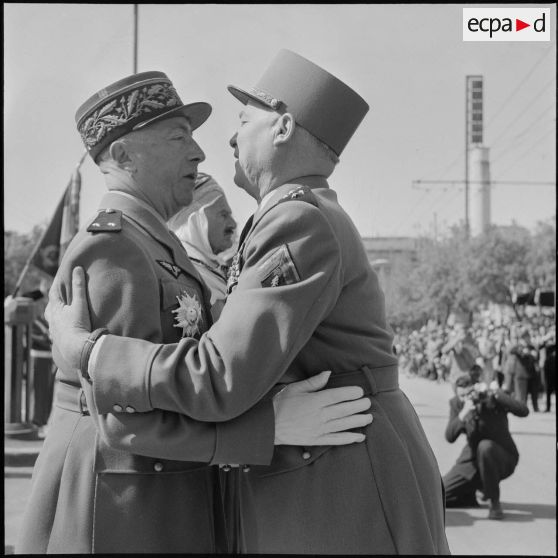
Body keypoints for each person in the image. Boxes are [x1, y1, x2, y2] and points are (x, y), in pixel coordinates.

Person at [47, 50, 449, 554]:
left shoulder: (298, 220)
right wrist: (267, 427)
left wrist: (89, 352)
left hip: (342, 486)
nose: (222, 143)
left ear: (282, 128)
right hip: (315, 473)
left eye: (243, 120)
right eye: (180, 137)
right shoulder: (288, 216)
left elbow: (221, 375)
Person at [443, 374, 529, 520]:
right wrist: (463, 413)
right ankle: (468, 495)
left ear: (477, 388)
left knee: (485, 447)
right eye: (461, 395)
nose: (465, 398)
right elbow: (449, 437)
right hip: (472, 461)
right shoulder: (457, 404)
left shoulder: (493, 399)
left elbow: (523, 411)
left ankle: (494, 502)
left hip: (501, 456)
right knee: (439, 495)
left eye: (469, 393)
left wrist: (497, 394)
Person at [167, 172, 236, 319]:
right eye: (223, 215)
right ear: (196, 221)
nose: (233, 224)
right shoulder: (185, 276)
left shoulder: (210, 269)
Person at [503, 329, 540, 411]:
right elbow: (511, 350)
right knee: (520, 394)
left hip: (530, 374)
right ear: (523, 338)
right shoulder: (518, 346)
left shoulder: (531, 346)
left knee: (529, 393)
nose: (528, 339)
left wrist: (532, 353)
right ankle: (520, 409)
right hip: (520, 374)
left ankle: (528, 408)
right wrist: (523, 350)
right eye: (526, 337)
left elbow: (536, 356)